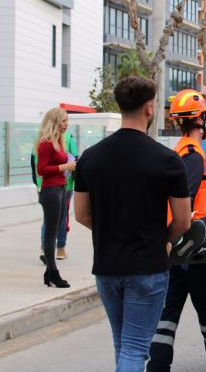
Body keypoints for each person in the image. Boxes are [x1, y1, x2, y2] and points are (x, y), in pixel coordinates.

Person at [73, 76, 191, 372]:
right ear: (150, 108)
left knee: (123, 344)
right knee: (136, 349)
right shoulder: (167, 160)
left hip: (107, 267)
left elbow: (81, 215)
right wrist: (162, 239)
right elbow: (183, 220)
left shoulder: (90, 158)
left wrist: (109, 231)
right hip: (147, 267)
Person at [148, 89, 206, 372]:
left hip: (179, 242)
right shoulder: (192, 154)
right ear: (199, 119)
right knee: (205, 299)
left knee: (173, 303)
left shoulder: (181, 150)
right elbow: (185, 200)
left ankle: (159, 363)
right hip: (195, 242)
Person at [35, 107, 76, 288]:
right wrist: (65, 166)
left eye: (67, 121)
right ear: (54, 121)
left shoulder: (59, 141)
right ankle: (53, 272)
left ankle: (49, 272)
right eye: (63, 121)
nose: (66, 124)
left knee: (56, 228)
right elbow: (41, 170)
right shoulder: (46, 142)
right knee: (51, 233)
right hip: (50, 191)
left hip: (59, 188)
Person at [32, 130, 78, 263]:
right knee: (62, 217)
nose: (66, 124)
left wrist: (36, 183)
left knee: (49, 218)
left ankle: (45, 248)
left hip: (45, 185)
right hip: (63, 185)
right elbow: (75, 160)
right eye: (64, 121)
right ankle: (60, 248)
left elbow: (32, 161)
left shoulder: (39, 137)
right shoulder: (68, 137)